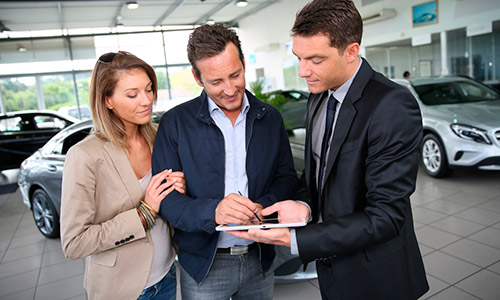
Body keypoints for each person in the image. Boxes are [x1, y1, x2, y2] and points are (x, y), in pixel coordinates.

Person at [230, 1, 430, 299]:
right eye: (299, 57)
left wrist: (296, 238)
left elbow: (386, 217)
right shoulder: (319, 96)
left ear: (351, 51)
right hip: (333, 271)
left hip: (377, 276)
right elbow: (317, 173)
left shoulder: (391, 105)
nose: (302, 71)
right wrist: (305, 205)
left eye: (315, 59)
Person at [151, 24, 298, 300]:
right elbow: (167, 202)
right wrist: (214, 212)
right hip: (204, 266)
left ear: (243, 63)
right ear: (197, 77)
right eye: (216, 81)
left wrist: (262, 207)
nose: (230, 89)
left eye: (235, 75)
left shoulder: (270, 118)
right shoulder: (175, 124)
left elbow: (287, 179)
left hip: (260, 258)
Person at [60, 51, 185, 300]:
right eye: (132, 94)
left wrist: (182, 187)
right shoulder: (84, 155)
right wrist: (143, 214)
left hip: (167, 276)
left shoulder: (160, 137)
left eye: (149, 89)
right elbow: (74, 242)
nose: (146, 100)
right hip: (122, 290)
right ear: (108, 101)